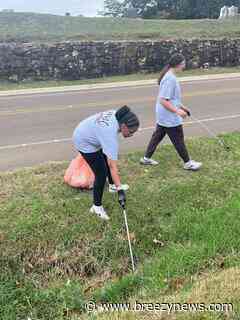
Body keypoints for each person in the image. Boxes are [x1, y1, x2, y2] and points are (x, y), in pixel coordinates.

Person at [73, 105, 140, 220]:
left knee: (105, 158)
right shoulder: (109, 134)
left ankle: (112, 186)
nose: (131, 135)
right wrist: (120, 190)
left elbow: (109, 158)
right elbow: (112, 166)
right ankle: (96, 207)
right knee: (101, 173)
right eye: (131, 131)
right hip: (84, 141)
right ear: (123, 126)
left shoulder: (118, 116)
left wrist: (117, 185)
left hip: (89, 132)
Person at [140, 53, 202, 171]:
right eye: (183, 63)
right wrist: (178, 111)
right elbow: (163, 100)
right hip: (168, 115)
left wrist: (182, 107)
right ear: (178, 64)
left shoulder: (170, 76)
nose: (184, 66)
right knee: (178, 139)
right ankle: (188, 163)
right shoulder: (170, 79)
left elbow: (173, 98)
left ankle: (146, 158)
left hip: (164, 114)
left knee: (157, 136)